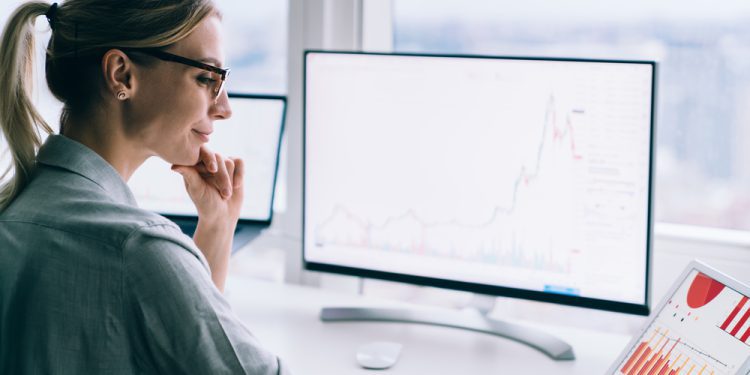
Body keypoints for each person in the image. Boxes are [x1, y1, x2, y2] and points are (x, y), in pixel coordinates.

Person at [0, 1, 288, 373]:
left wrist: (216, 225)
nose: (224, 107)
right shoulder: (139, 250)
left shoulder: (15, 211)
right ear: (121, 75)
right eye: (207, 78)